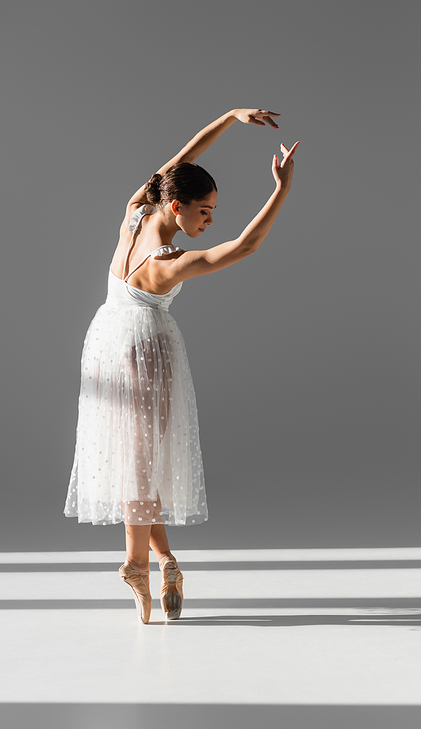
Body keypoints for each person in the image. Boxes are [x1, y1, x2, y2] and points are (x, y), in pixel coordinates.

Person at [64, 108, 299, 623]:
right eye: (206, 211)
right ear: (177, 206)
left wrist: (230, 117)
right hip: (143, 350)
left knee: (138, 460)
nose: (210, 221)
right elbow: (246, 245)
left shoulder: (135, 212)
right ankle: (136, 562)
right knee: (142, 464)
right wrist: (281, 188)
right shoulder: (169, 264)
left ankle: (163, 560)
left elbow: (180, 161)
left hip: (106, 339)